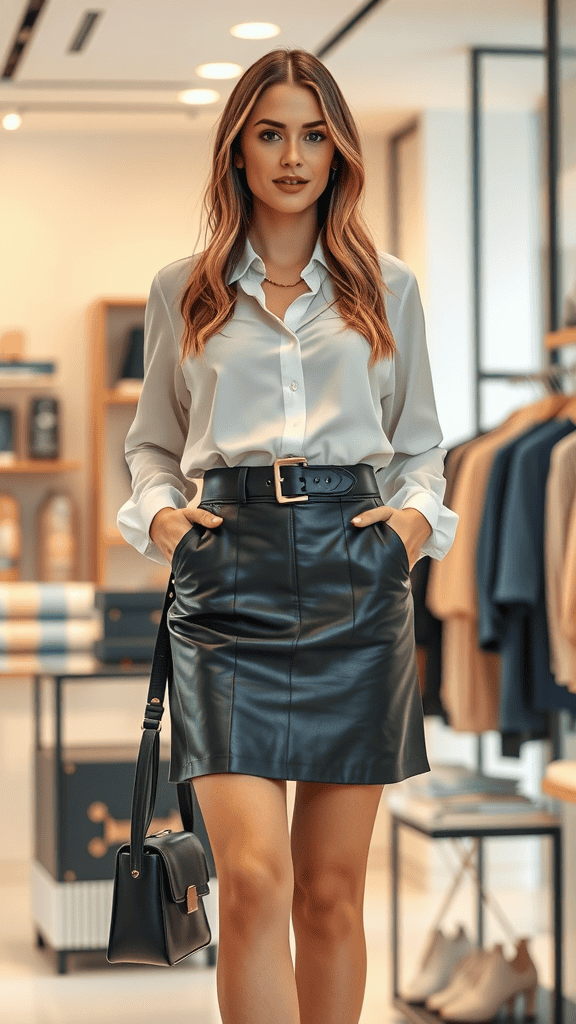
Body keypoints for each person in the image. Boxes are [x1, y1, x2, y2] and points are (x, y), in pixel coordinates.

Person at [117, 47, 458, 1024]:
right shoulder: (184, 287)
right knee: (258, 882)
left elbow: (423, 453)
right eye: (270, 133)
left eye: (314, 134)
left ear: (339, 151)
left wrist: (402, 531)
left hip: (360, 581)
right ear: (237, 150)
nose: (293, 155)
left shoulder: (386, 287)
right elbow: (150, 448)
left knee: (330, 894)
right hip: (228, 587)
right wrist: (171, 522)